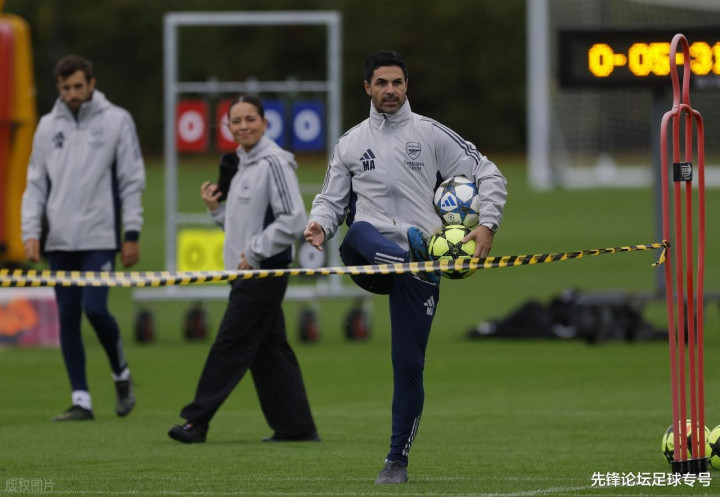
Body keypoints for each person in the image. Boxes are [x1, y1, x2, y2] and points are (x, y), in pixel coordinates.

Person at [304, 50, 507, 484]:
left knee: (409, 364)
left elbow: (489, 173)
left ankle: (396, 461)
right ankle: (406, 256)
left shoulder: (430, 134)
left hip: (421, 266)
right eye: (381, 83)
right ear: (367, 88)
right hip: (371, 257)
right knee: (358, 232)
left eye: (397, 82)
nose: (390, 90)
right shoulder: (350, 143)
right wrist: (319, 224)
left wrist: (487, 224)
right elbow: (331, 200)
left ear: (407, 85)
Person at [168, 95, 319, 444]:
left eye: (250, 119)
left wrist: (255, 251)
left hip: (264, 270)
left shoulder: (275, 163)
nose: (243, 126)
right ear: (228, 127)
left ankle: (196, 422)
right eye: (236, 121)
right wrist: (215, 211)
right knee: (269, 350)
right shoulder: (241, 165)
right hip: (247, 271)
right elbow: (241, 230)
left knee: (230, 344)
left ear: (264, 123)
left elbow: (294, 219)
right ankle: (297, 428)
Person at [21, 55, 145, 421]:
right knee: (68, 316)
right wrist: (30, 232)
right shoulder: (47, 126)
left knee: (95, 308)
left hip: (100, 236)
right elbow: (35, 184)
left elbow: (131, 180)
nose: (73, 94)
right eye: (66, 88)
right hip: (59, 240)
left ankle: (121, 374)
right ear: (58, 88)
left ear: (91, 83)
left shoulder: (117, 120)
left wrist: (132, 234)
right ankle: (81, 400)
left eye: (78, 86)